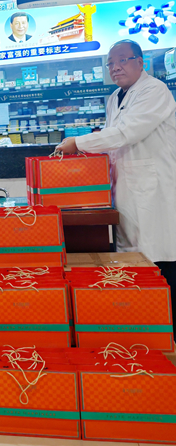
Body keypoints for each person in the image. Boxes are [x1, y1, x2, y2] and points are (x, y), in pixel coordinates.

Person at [56, 39, 176, 332]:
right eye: (110, 63)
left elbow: (126, 132)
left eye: (123, 60)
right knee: (133, 265)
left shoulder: (154, 90)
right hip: (126, 192)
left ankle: (168, 337)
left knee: (160, 266)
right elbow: (114, 141)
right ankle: (144, 332)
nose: (115, 67)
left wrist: (79, 142)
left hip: (155, 192)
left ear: (140, 62)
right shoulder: (114, 97)